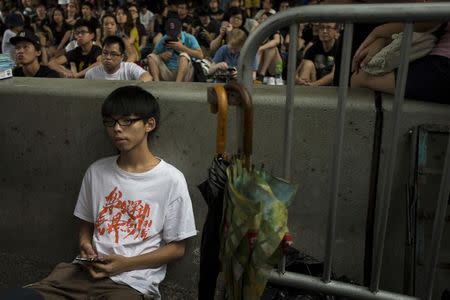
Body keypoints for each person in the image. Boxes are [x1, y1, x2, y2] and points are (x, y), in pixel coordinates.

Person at [8, 85, 197, 300]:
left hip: (131, 283)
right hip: (80, 275)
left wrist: (124, 264)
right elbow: (86, 224)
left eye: (127, 121)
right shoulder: (97, 171)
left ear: (149, 124)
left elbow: (177, 248)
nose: (117, 128)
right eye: (111, 122)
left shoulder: (171, 179)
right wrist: (85, 245)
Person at [351, 21, 450, 104]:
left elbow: (430, 21)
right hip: (439, 61)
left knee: (360, 78)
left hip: (443, 65)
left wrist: (379, 32)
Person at [147, 17, 203, 82]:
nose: (173, 35)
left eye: (175, 33)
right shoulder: (165, 38)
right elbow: (153, 54)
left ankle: (177, 84)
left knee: (184, 56)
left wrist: (182, 48)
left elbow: (200, 55)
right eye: (170, 34)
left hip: (185, 73)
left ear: (180, 29)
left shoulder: (189, 37)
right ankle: (157, 83)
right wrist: (161, 56)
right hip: (167, 71)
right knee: (151, 57)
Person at [85, 36, 152, 81]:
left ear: (122, 57)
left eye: (113, 54)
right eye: (105, 53)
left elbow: (147, 76)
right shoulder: (91, 74)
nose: (108, 57)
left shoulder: (129, 68)